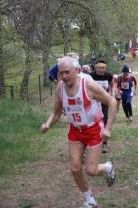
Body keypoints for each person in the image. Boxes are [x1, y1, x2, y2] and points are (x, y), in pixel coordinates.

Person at [40, 56, 117, 208]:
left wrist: (107, 128)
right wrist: (48, 124)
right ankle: (89, 200)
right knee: (75, 168)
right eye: (60, 73)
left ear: (76, 70)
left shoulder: (87, 84)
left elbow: (112, 102)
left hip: (94, 129)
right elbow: (56, 113)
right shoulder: (60, 87)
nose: (63, 76)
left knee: (91, 170)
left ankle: (108, 167)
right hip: (75, 130)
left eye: (67, 72)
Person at [90, 60, 113, 154]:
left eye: (103, 68)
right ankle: (92, 140)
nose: (102, 70)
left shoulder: (108, 76)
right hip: (93, 101)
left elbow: (111, 85)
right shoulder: (91, 76)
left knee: (105, 119)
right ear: (96, 68)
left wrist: (111, 94)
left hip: (104, 101)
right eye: (100, 68)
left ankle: (104, 143)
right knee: (92, 120)